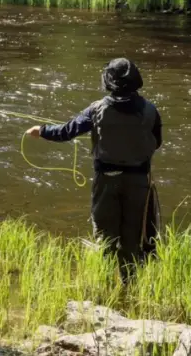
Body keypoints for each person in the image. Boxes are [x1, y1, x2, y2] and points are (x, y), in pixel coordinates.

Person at [26, 58, 162, 279]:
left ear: (109, 82)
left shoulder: (97, 109)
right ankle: (130, 285)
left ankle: (105, 284)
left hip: (107, 181)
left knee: (106, 237)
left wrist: (41, 131)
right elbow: (156, 142)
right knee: (134, 237)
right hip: (139, 184)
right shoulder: (151, 110)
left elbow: (66, 131)